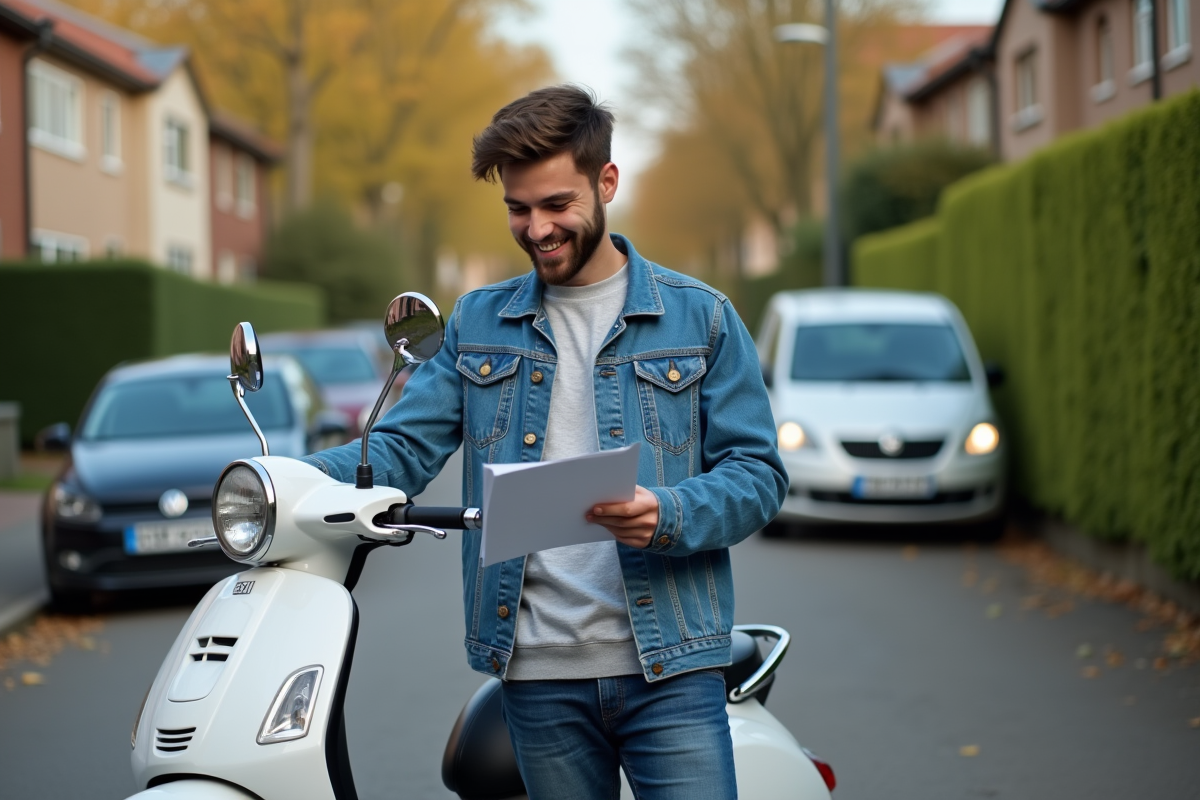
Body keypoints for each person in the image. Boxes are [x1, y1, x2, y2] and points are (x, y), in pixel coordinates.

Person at [303, 85, 787, 800]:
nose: (536, 229)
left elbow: (758, 475)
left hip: (674, 667)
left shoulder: (703, 318)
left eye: (557, 205)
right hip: (537, 674)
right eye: (518, 209)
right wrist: (279, 479)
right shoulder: (477, 322)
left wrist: (670, 512)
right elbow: (399, 451)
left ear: (607, 182)